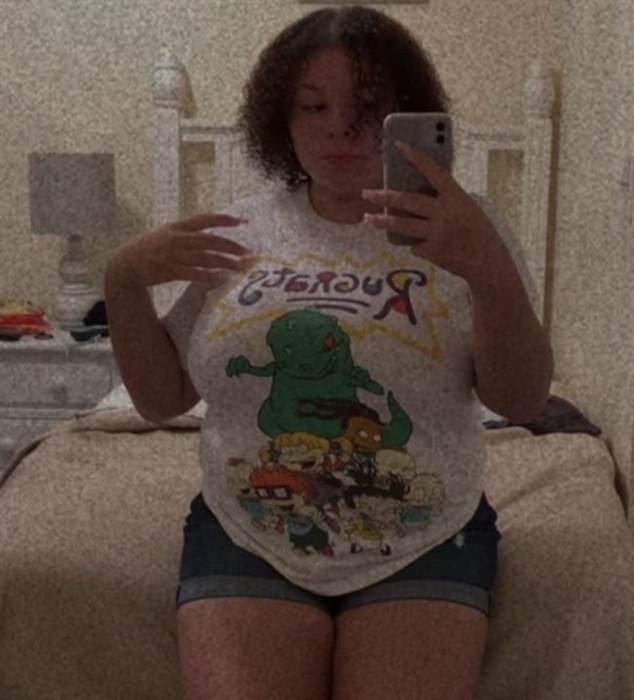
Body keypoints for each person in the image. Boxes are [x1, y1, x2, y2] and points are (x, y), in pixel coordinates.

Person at [105, 6, 553, 700]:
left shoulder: (465, 227)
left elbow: (520, 402)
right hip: (248, 528)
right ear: (278, 118)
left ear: (410, 112)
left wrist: (489, 268)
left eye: (368, 106)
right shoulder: (239, 230)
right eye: (313, 106)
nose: (340, 127)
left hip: (422, 528)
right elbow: (164, 401)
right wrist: (123, 279)